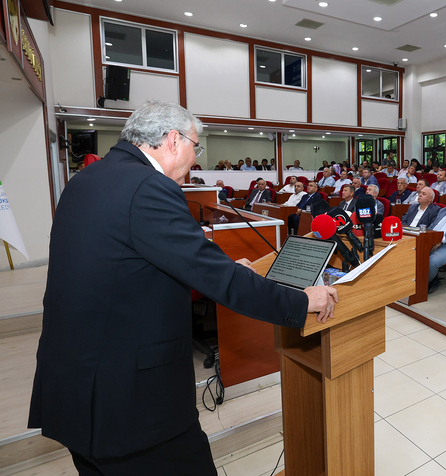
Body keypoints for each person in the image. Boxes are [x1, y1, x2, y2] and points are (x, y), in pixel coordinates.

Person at [29, 100, 338, 476]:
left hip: (77, 388)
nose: (196, 158)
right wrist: (302, 299)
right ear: (173, 140)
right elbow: (221, 281)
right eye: (196, 145)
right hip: (130, 404)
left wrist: (215, 269)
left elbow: (125, 267)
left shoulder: (87, 180)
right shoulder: (148, 187)